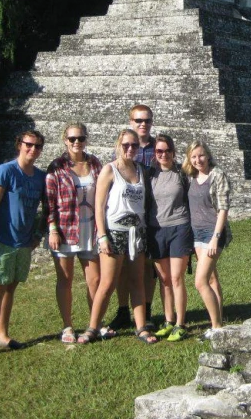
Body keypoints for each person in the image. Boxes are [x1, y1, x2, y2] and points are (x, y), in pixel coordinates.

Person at [79, 129, 157, 344]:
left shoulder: (141, 170)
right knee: (107, 283)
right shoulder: (109, 170)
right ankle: (93, 327)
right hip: (115, 232)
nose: (130, 149)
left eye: (134, 145)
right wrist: (102, 236)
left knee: (137, 281)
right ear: (118, 145)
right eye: (126, 145)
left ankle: (141, 327)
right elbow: (99, 205)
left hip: (137, 233)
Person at [0, 130, 47, 360]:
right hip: (2, 240)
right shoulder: (5, 171)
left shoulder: (39, 177)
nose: (32, 149)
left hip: (24, 242)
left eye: (37, 146)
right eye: (28, 144)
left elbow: (47, 209)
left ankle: (2, 334)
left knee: (10, 288)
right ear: (20, 144)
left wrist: (38, 234)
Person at [45, 122, 103, 344]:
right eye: (72, 139)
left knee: (95, 280)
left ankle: (94, 324)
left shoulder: (95, 163)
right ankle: (67, 325)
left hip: (91, 230)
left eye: (80, 138)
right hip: (65, 230)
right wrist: (52, 229)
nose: (76, 142)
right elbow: (49, 202)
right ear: (65, 141)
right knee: (65, 281)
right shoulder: (57, 167)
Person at [109, 104, 159, 331]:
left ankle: (146, 311)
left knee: (148, 267)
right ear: (131, 122)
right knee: (122, 268)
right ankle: (122, 311)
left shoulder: (158, 148)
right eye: (138, 120)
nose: (143, 124)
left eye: (147, 120)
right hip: (128, 217)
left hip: (153, 215)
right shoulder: (124, 147)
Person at [147, 134, 193, 342]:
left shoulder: (182, 174)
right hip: (156, 230)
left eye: (167, 151)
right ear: (155, 154)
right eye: (159, 151)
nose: (163, 154)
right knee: (164, 279)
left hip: (179, 228)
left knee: (176, 278)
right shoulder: (149, 174)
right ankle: (168, 320)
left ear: (173, 153)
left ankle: (180, 323)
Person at [182, 141, 231, 333]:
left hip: (213, 232)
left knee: (200, 281)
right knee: (211, 279)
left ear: (208, 155)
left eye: (201, 155)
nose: (198, 160)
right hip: (197, 233)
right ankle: (218, 317)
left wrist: (215, 238)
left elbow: (223, 208)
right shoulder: (192, 176)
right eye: (193, 157)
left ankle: (216, 327)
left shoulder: (217, 175)